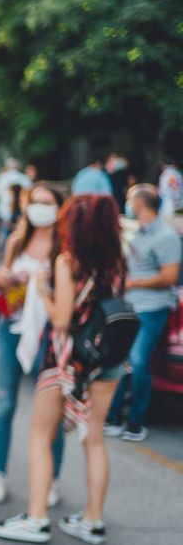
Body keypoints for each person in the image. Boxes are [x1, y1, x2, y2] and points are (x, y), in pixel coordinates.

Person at [0, 195, 125, 545]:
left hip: (67, 360)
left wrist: (41, 291)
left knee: (40, 436)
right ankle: (92, 520)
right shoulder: (117, 262)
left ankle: (36, 518)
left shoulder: (68, 261)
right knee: (94, 439)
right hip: (106, 359)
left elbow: (62, 319)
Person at [0, 183, 66, 505]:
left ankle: (52, 479)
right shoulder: (17, 240)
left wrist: (43, 286)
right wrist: (4, 279)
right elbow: (1, 276)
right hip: (11, 327)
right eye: (34, 202)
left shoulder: (64, 247)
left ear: (60, 208)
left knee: (50, 413)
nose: (39, 208)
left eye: (47, 203)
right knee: (5, 405)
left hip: (49, 334)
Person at [104, 185, 181, 442]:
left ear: (138, 204)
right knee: (120, 362)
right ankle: (113, 418)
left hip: (152, 308)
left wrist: (133, 284)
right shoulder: (138, 234)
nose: (127, 205)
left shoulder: (166, 236)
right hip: (130, 306)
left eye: (128, 200)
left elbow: (169, 277)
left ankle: (136, 422)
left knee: (137, 362)